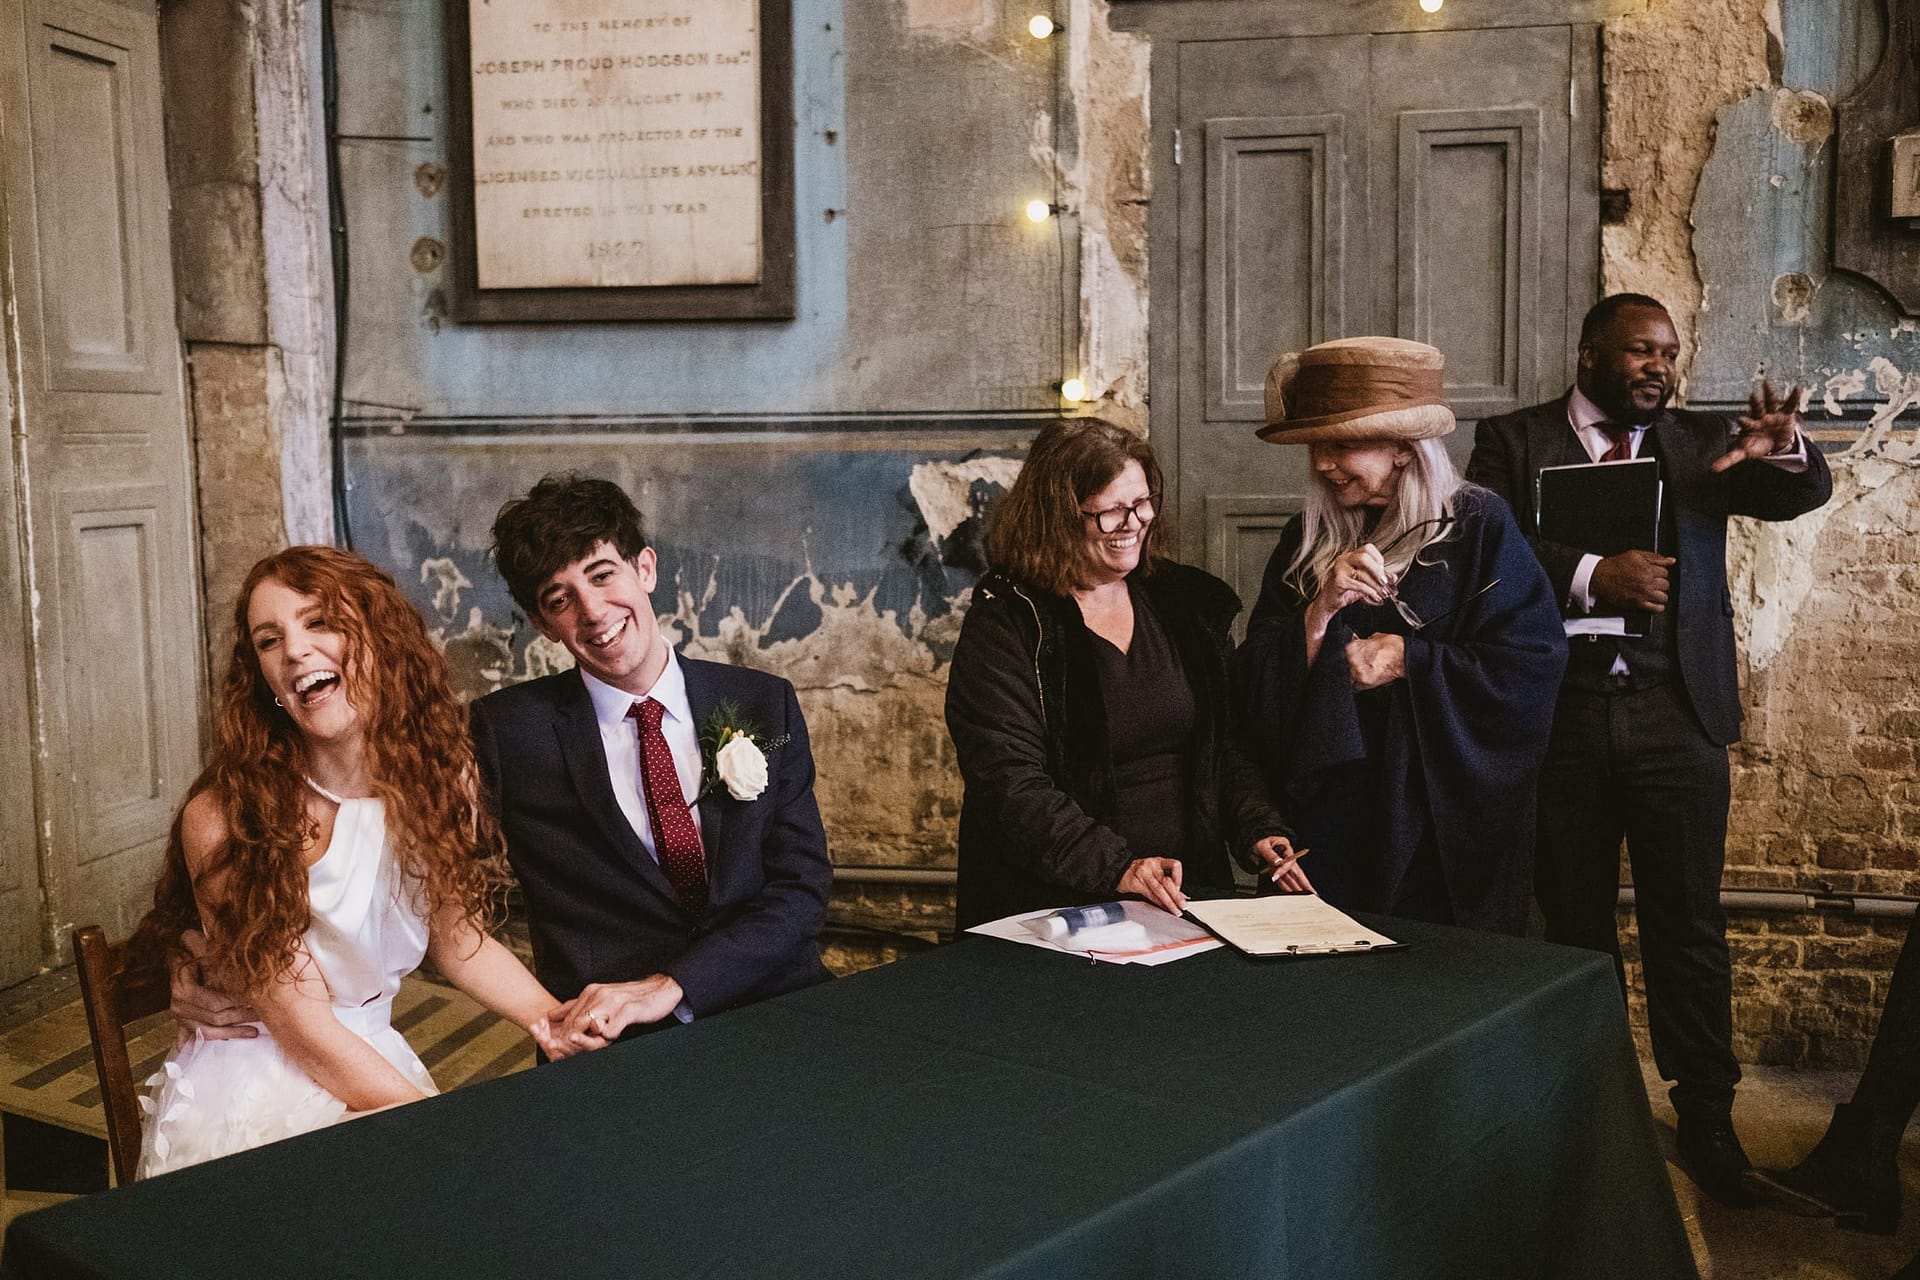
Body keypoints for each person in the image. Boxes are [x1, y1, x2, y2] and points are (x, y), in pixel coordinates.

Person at [1467, 292, 1833, 1206]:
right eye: (1640, 351)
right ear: (1591, 352)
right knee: (1575, 928)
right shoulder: (1511, 440)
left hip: (1677, 717)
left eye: (1668, 353)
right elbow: (1483, 549)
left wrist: (1784, 448)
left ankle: (1709, 1121)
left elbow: (1798, 493)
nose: (1659, 367)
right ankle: (1587, 1107)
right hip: (1560, 721)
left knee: (1689, 927)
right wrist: (1595, 572)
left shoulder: (1703, 441)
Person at [129, 547, 580, 1177]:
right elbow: (299, 1020)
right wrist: (436, 1121)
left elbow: (458, 942)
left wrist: (553, 1022)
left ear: (378, 637)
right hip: (257, 1082)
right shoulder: (229, 817)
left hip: (370, 1055)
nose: (293, 651)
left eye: (318, 622)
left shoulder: (443, 777)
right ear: (262, 678)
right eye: (269, 640)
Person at [471, 474, 833, 1044]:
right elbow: (436, 884)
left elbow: (801, 891)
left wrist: (675, 984)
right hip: (612, 1044)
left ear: (645, 569)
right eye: (559, 600)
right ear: (543, 625)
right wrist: (544, 1019)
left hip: (777, 1003)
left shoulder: (765, 704)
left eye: (602, 575)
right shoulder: (505, 731)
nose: (592, 611)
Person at [1235, 337, 1567, 936]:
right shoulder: (1303, 541)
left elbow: (1532, 667)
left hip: (1437, 827)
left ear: (1405, 451)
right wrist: (1319, 613)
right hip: (1328, 822)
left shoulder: (1479, 527)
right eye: (1315, 446)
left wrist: (1408, 659)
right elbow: (1253, 680)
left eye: (1341, 445)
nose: (1322, 465)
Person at [945, 418, 1303, 930]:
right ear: (1056, 518)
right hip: (1060, 908)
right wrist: (1117, 867)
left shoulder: (1183, 604)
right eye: (1111, 512)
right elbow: (1010, 782)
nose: (1134, 523)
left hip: (1187, 895)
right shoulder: (1010, 620)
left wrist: (1257, 827)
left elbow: (1224, 745)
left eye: (1141, 503)